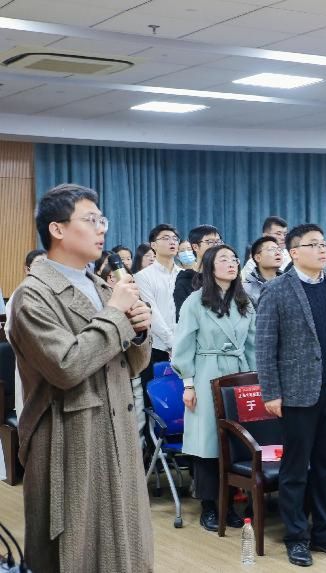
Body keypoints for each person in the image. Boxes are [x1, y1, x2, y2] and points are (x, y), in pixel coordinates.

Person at [8, 183, 153, 572]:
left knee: (126, 542)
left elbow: (132, 365)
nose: (100, 229)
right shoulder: (32, 295)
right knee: (78, 547)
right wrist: (117, 315)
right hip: (69, 436)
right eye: (90, 220)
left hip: (117, 428)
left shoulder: (103, 286)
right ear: (57, 229)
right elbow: (66, 366)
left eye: (102, 220)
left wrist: (140, 332)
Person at [257, 223, 326, 567]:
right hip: (296, 393)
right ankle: (296, 536)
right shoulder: (277, 289)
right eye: (313, 244)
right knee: (296, 468)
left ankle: (325, 532)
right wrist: (271, 392)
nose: (322, 249)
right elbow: (265, 346)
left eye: (324, 244)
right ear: (294, 252)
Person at [171, 244, 256, 531]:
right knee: (208, 442)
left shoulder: (244, 301)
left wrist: (254, 381)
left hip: (239, 374)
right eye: (224, 259)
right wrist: (188, 384)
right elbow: (183, 345)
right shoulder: (195, 301)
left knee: (236, 442)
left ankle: (229, 505)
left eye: (234, 259)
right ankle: (209, 506)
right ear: (209, 266)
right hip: (206, 372)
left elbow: (253, 344)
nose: (231, 263)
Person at [135, 224, 182, 386]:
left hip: (184, 346)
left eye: (175, 238)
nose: (172, 242)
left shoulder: (184, 275)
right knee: (156, 394)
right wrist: (172, 342)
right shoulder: (143, 276)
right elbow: (152, 313)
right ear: (154, 245)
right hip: (156, 347)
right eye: (166, 238)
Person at [4, 249, 47, 419]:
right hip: (30, 363)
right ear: (27, 269)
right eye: (39, 264)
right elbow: (10, 331)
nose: (44, 268)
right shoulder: (20, 294)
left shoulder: (52, 293)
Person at [173, 225, 222, 319]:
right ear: (195, 247)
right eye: (210, 242)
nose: (216, 245)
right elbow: (183, 317)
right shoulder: (185, 280)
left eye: (218, 241)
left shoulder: (225, 276)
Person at [243, 236, 284, 308]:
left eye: (279, 249)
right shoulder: (246, 289)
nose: (278, 253)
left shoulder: (288, 282)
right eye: (272, 249)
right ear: (258, 258)